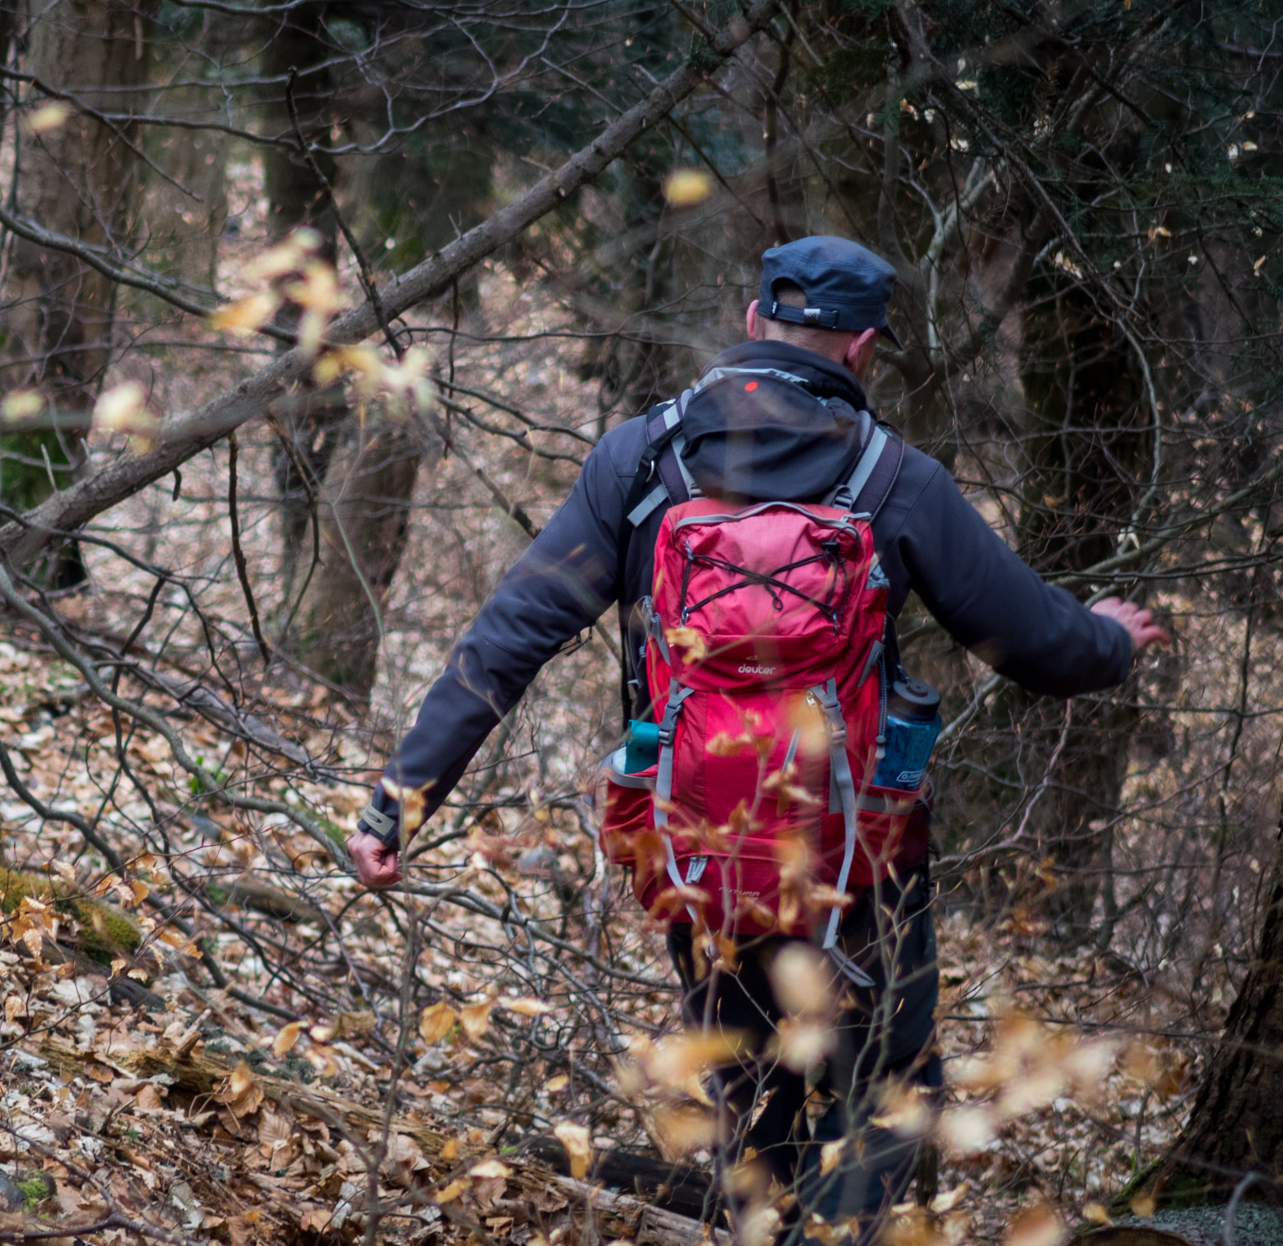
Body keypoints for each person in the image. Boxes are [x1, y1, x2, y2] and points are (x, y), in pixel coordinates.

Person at [345, 236, 1169, 1236]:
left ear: (751, 322)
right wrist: (1110, 641)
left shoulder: (640, 458)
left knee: (747, 1097)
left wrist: (400, 798)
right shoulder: (893, 477)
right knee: (885, 1092)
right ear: (861, 346)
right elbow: (1037, 643)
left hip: (697, 839)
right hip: (861, 853)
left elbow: (510, 632)